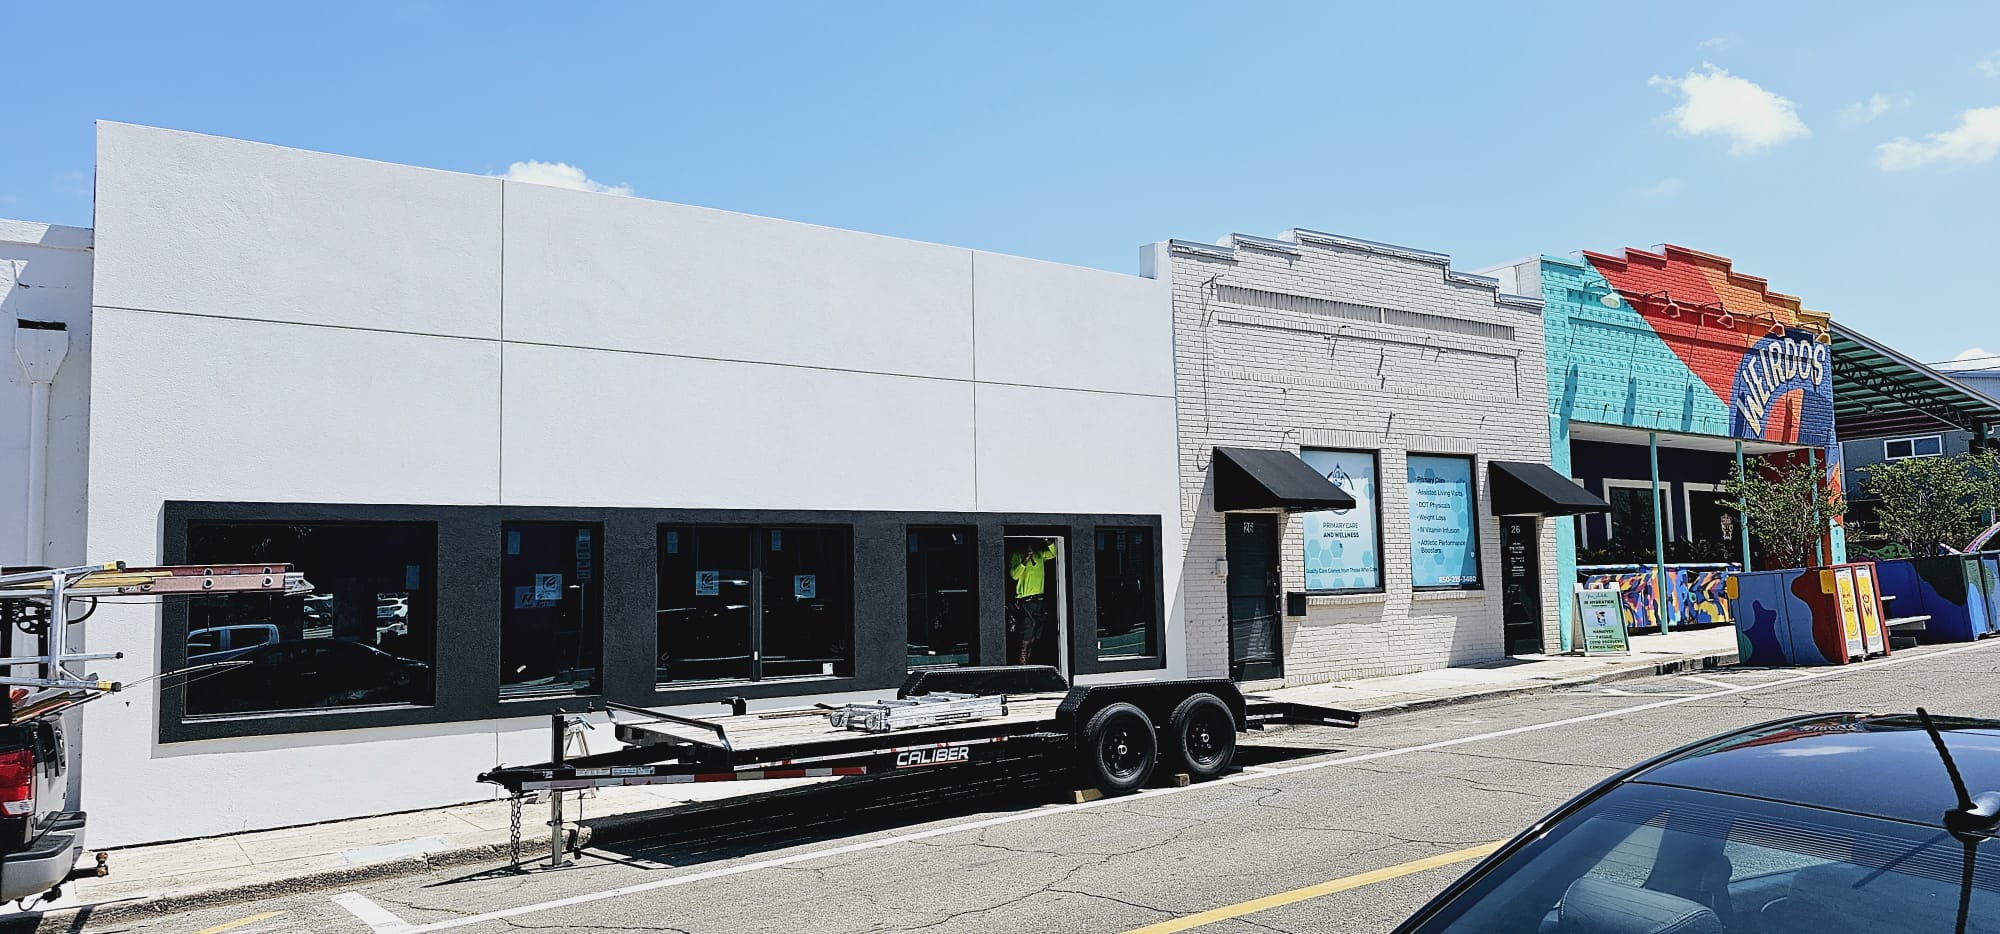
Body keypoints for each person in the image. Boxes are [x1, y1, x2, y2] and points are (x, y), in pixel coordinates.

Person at [1008, 540, 1059, 666]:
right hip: (1026, 602)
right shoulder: (1017, 555)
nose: (1029, 546)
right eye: (1026, 544)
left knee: (1032, 640)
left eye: (1031, 544)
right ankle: (1022, 670)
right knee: (1024, 641)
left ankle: (1029, 668)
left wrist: (1049, 542)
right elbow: (1014, 575)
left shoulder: (1040, 555)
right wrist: (1025, 559)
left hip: (1039, 601)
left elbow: (1055, 553)